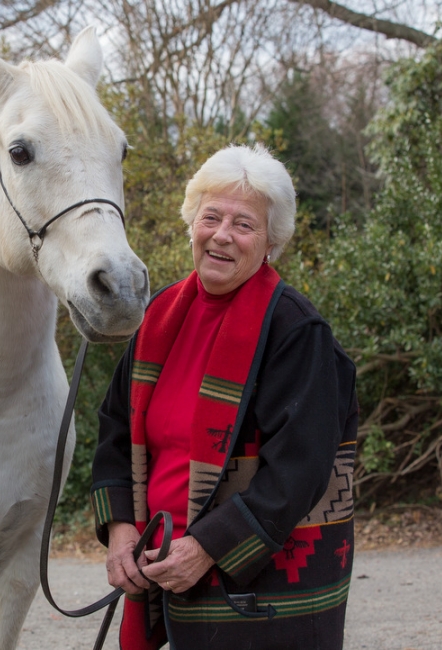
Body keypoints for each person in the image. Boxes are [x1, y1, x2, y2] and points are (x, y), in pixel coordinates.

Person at [90, 144, 358, 649]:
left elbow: (299, 470)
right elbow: (115, 430)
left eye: (244, 224)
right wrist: (122, 528)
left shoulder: (298, 332)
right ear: (192, 222)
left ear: (270, 242)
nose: (222, 235)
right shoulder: (159, 316)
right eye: (211, 217)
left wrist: (207, 546)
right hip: (158, 561)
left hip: (258, 582)